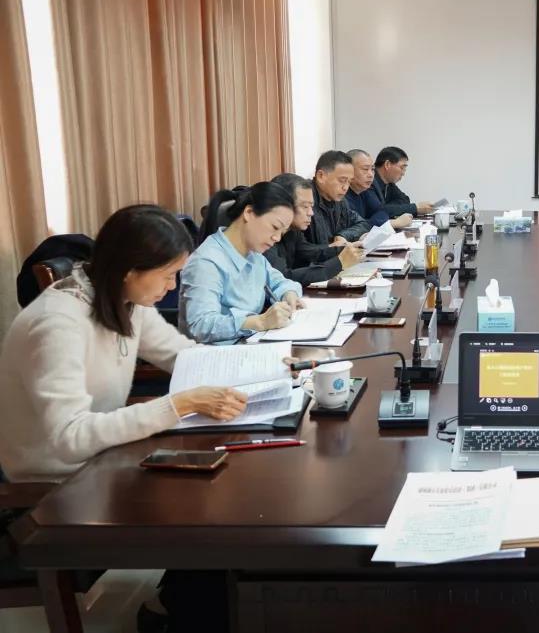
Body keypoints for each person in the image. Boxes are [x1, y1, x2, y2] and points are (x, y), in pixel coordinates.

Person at [0, 205, 248, 482]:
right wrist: (179, 404)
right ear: (129, 271)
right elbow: (71, 437)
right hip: (56, 481)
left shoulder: (125, 300)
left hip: (109, 455)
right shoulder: (56, 324)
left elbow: (183, 355)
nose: (172, 286)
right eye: (168, 275)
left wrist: (267, 363)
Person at [180, 182, 303, 344]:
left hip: (247, 345)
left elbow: (279, 282)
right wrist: (259, 322)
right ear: (249, 213)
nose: (277, 238)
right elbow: (200, 325)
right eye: (275, 227)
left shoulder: (255, 255)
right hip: (215, 354)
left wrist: (289, 294)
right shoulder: (206, 262)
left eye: (282, 232)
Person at [266, 173, 364, 285]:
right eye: (305, 206)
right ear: (283, 205)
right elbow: (284, 278)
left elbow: (310, 252)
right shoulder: (265, 235)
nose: (311, 213)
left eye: (311, 206)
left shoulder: (293, 230)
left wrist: (346, 249)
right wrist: (339, 263)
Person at [306, 150, 371, 254]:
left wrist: (343, 236)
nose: (346, 188)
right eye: (342, 180)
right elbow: (301, 250)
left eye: (349, 182)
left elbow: (363, 223)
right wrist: (336, 248)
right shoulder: (304, 199)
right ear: (321, 176)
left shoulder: (340, 201)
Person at [344, 149, 413, 230]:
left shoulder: (364, 191)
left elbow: (382, 212)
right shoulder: (342, 196)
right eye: (365, 169)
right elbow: (353, 227)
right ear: (349, 171)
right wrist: (393, 223)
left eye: (372, 169)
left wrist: (373, 222)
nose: (371, 175)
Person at [372, 146, 434, 217]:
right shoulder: (369, 182)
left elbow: (405, 199)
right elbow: (377, 211)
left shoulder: (389, 183)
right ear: (387, 165)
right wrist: (415, 208)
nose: (403, 173)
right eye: (402, 168)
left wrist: (388, 208)